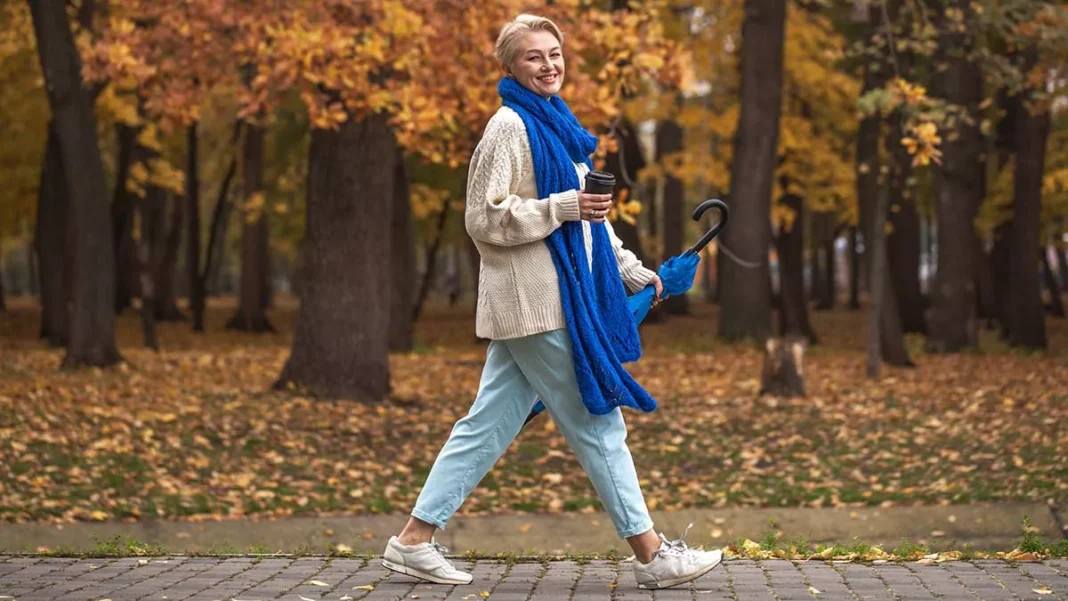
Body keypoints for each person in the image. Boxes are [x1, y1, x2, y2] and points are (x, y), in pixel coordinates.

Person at [382, 13, 722, 590]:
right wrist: (559, 207)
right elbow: (483, 218)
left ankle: (412, 540)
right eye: (534, 56)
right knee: (598, 421)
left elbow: (590, 222)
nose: (549, 64)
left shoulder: (560, 130)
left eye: (555, 53)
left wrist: (637, 273)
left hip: (549, 302)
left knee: (486, 424)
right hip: (535, 303)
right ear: (511, 66)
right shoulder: (509, 127)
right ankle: (652, 556)